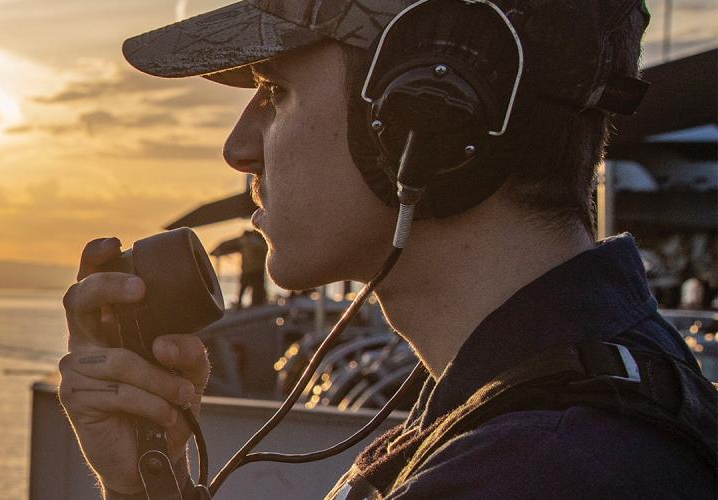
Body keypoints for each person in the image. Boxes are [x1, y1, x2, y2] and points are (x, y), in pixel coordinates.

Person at [56, 1, 717, 498]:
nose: (238, 149)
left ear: (426, 115)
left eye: (276, 91)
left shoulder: (532, 470)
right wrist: (150, 478)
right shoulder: (559, 407)